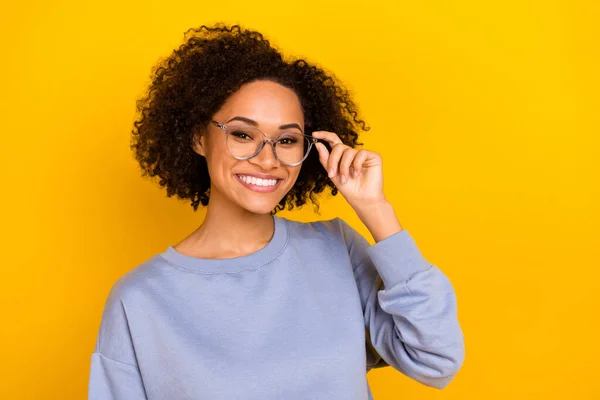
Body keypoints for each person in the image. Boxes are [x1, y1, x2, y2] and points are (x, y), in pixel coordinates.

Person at [88, 23, 465, 400]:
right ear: (198, 138)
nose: (267, 160)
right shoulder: (139, 300)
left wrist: (375, 208)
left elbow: (435, 358)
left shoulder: (338, 250)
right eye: (242, 134)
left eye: (286, 140)